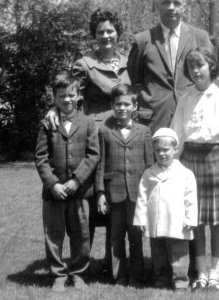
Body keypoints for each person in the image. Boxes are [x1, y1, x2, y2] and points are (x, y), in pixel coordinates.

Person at [45, 8, 130, 273]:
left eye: (110, 31)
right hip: (94, 134)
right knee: (91, 198)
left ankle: (112, 260)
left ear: (118, 33)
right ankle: (83, 262)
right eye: (101, 32)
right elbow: (68, 94)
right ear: (94, 35)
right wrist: (53, 109)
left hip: (120, 134)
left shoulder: (128, 61)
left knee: (116, 194)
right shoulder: (84, 64)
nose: (106, 36)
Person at [170, 47, 219, 292]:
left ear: (211, 67)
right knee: (196, 220)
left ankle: (215, 273)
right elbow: (177, 133)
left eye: (200, 65)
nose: (196, 71)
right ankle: (200, 273)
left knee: (217, 222)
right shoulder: (186, 99)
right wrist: (173, 165)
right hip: (189, 161)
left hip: (215, 160)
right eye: (191, 67)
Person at [35, 72, 100, 292]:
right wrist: (52, 184)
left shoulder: (88, 122)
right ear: (54, 98)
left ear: (78, 95)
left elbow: (93, 155)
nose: (67, 100)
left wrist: (76, 181)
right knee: (53, 234)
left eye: (71, 95)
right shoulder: (47, 123)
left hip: (80, 191)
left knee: (81, 233)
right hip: (53, 193)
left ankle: (78, 273)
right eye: (61, 96)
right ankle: (58, 275)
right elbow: (40, 157)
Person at [127, 0, 214, 133]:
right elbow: (134, 78)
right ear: (157, 5)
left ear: (184, 6)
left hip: (193, 118)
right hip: (153, 120)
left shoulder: (200, 37)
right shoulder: (142, 41)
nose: (171, 7)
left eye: (176, 2)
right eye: (166, 2)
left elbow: (211, 77)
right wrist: (148, 98)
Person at [95, 84, 154, 287]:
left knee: (136, 236)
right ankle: (119, 275)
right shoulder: (104, 131)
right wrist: (101, 192)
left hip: (138, 194)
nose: (122, 108)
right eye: (118, 104)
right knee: (116, 236)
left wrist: (149, 194)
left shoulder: (145, 131)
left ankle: (137, 275)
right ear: (112, 105)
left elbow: (150, 165)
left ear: (134, 106)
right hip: (115, 192)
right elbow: (100, 164)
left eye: (126, 104)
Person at [133, 128, 197, 293]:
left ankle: (181, 282)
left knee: (179, 254)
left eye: (166, 150)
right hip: (155, 222)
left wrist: (190, 219)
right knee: (158, 253)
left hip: (177, 222)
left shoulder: (185, 174)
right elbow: (142, 198)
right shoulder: (149, 173)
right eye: (158, 150)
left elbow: (191, 199)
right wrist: (140, 219)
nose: (162, 154)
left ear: (175, 149)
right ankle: (160, 279)